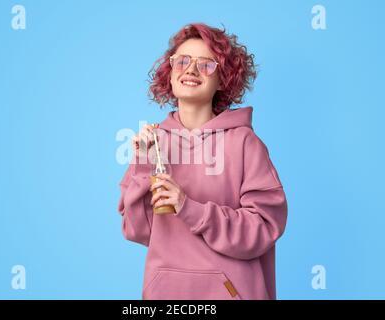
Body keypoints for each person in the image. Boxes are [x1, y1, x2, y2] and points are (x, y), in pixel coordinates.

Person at [117, 23, 288, 300]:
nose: (191, 70)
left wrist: (189, 207)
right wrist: (142, 165)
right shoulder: (154, 145)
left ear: (223, 80)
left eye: (206, 64)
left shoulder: (245, 144)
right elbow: (138, 231)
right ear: (170, 74)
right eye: (182, 61)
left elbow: (264, 228)